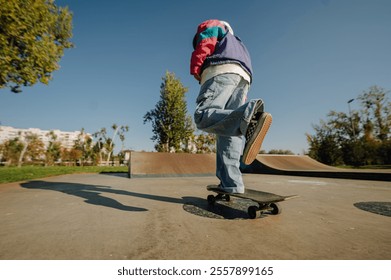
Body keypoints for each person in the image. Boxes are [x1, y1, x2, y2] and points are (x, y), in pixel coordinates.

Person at [190, 19, 272, 194]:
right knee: (229, 133)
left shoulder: (214, 25)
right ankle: (231, 184)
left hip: (220, 71)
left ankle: (248, 118)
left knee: (202, 115)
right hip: (243, 78)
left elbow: (206, 41)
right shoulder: (239, 44)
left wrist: (196, 69)